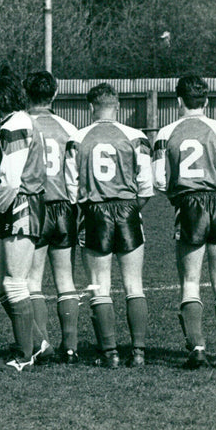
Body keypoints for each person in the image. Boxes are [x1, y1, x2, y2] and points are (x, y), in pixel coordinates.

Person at [153, 75, 216, 369]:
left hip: (190, 204)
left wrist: (177, 194)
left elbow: (159, 179)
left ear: (178, 100)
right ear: (206, 102)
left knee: (190, 280)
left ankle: (196, 348)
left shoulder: (166, 132)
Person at [70, 84, 154, 368]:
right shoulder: (136, 136)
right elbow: (146, 186)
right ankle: (139, 352)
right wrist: (130, 209)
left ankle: (110, 354)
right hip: (128, 210)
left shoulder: (77, 138)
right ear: (117, 106)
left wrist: (88, 211)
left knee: (99, 286)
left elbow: (71, 188)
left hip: (94, 212)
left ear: (90, 107)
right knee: (134, 284)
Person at [0, 66, 49, 371]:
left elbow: (11, 179)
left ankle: (24, 355)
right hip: (18, 203)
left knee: (14, 283)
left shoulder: (15, 126)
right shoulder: (17, 122)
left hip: (21, 204)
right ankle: (38, 342)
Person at [22, 71, 81, 364]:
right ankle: (70, 347)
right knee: (66, 279)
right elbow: (74, 175)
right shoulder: (69, 128)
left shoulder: (20, 125)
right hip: (64, 208)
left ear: (25, 94)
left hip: (34, 208)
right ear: (55, 94)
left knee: (33, 281)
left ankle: (42, 344)